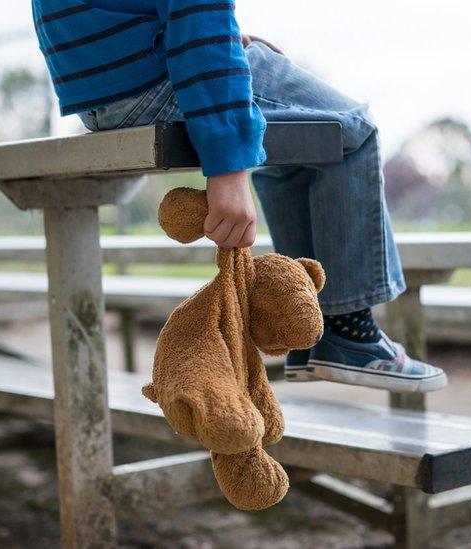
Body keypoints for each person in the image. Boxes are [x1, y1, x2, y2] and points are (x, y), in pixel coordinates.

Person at [32, 0, 447, 393]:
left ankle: (309, 326)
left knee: (292, 149)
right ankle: (349, 331)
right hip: (156, 76)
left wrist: (199, 33)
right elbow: (199, 11)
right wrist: (228, 167)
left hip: (96, 91)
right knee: (352, 130)